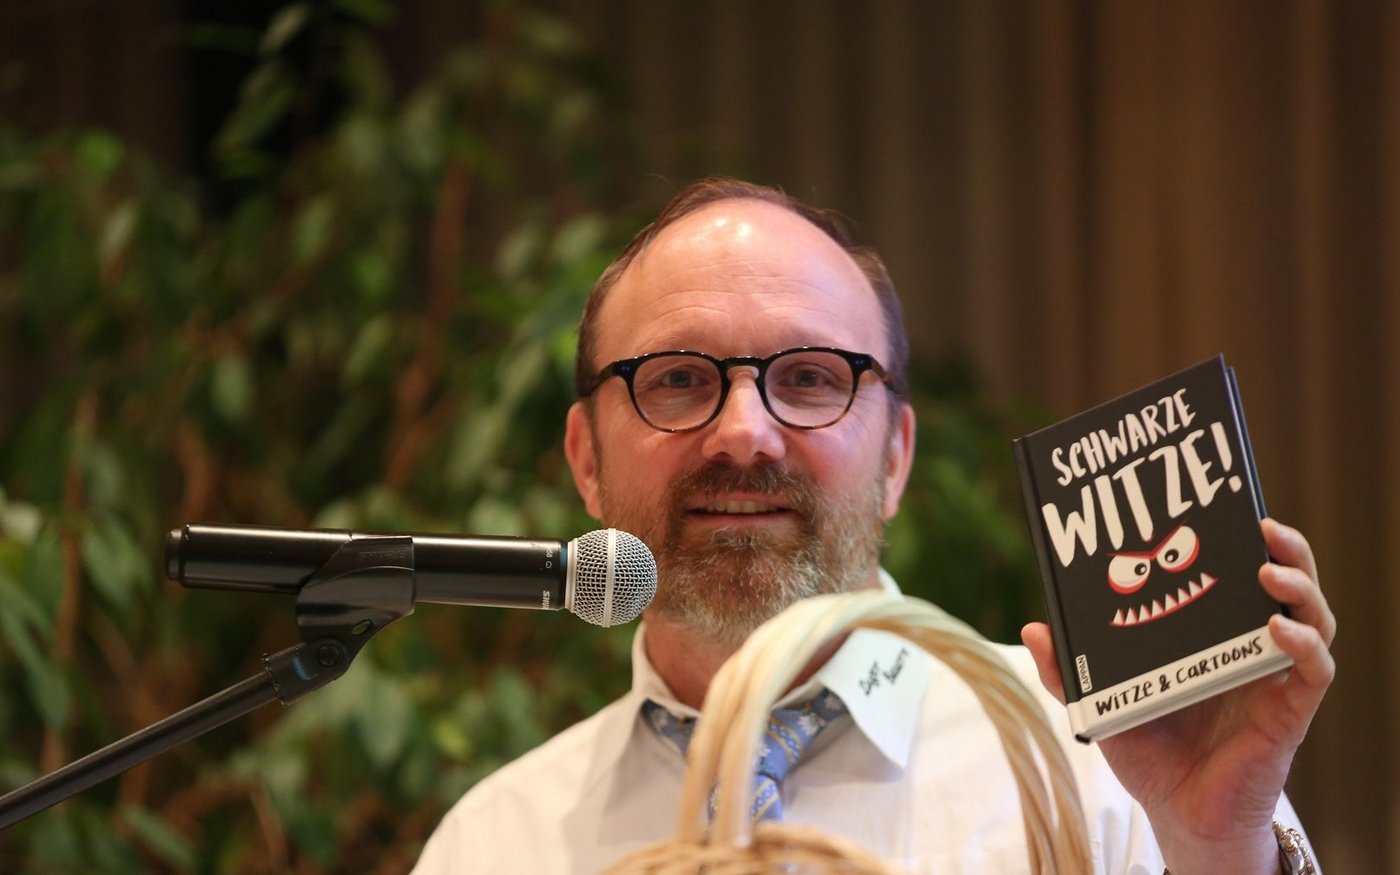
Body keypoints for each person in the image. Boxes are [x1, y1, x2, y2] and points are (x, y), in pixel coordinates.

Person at [412, 178, 1335, 874]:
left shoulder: (1101, 764)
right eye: (679, 380)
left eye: (811, 378)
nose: (744, 433)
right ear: (585, 459)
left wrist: (1218, 848)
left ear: (895, 455)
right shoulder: (492, 846)